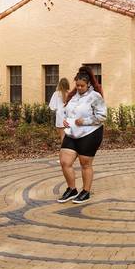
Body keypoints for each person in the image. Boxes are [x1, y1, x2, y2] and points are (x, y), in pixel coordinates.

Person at [56, 66, 107, 204]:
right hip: (72, 133)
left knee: (85, 164)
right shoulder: (73, 96)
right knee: (65, 161)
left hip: (90, 133)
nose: (78, 88)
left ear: (88, 83)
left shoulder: (95, 96)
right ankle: (72, 189)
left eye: (82, 86)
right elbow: (68, 112)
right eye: (77, 85)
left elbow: (102, 116)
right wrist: (66, 121)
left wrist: (84, 121)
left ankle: (86, 192)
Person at [49, 77, 70, 142]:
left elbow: (52, 107)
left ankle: (63, 151)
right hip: (69, 116)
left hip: (60, 117)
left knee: (62, 136)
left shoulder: (56, 94)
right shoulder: (70, 93)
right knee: (69, 136)